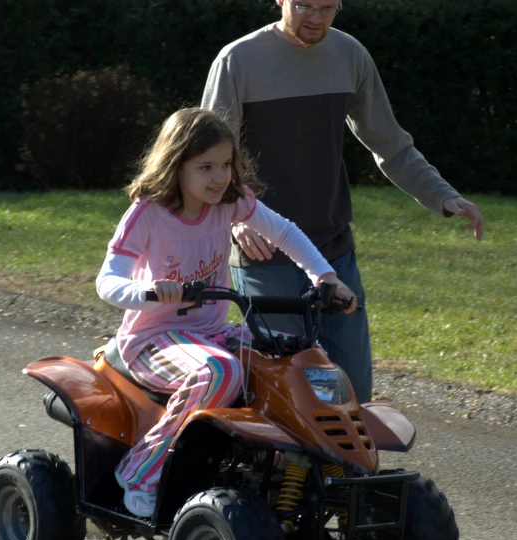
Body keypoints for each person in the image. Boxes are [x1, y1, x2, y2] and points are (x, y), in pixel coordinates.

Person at [201, 0, 485, 404]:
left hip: (333, 249)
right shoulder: (238, 59)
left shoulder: (350, 55)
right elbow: (210, 157)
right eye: (303, 6)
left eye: (326, 7)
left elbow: (390, 144)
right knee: (289, 395)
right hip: (264, 253)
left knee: (353, 391)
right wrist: (235, 219)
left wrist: (443, 195)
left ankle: (350, 471)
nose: (314, 18)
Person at [96, 107, 356, 517]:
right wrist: (149, 291)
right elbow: (107, 282)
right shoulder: (148, 214)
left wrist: (324, 276)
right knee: (220, 372)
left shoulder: (231, 203)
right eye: (206, 167)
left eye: (226, 165)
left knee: (301, 359)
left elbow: (283, 231)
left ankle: (287, 472)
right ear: (175, 164)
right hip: (152, 340)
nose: (219, 177)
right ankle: (140, 470)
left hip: (211, 333)